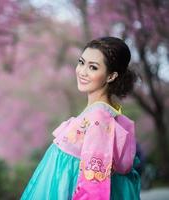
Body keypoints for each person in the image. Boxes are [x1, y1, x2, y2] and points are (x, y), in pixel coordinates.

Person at [20, 37, 141, 200]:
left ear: (111, 76)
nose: (82, 71)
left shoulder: (98, 119)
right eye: (81, 62)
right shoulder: (103, 114)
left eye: (93, 67)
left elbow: (94, 185)